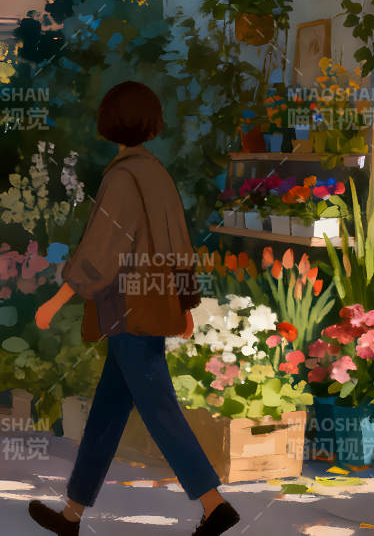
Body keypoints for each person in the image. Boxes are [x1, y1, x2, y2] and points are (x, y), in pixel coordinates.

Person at [29, 81, 239, 536]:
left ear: (111, 122)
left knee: (158, 406)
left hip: (128, 307)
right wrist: (184, 304)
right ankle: (72, 514)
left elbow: (99, 252)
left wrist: (58, 298)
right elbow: (181, 244)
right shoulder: (158, 174)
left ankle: (213, 502)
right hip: (154, 304)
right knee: (107, 411)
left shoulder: (121, 178)